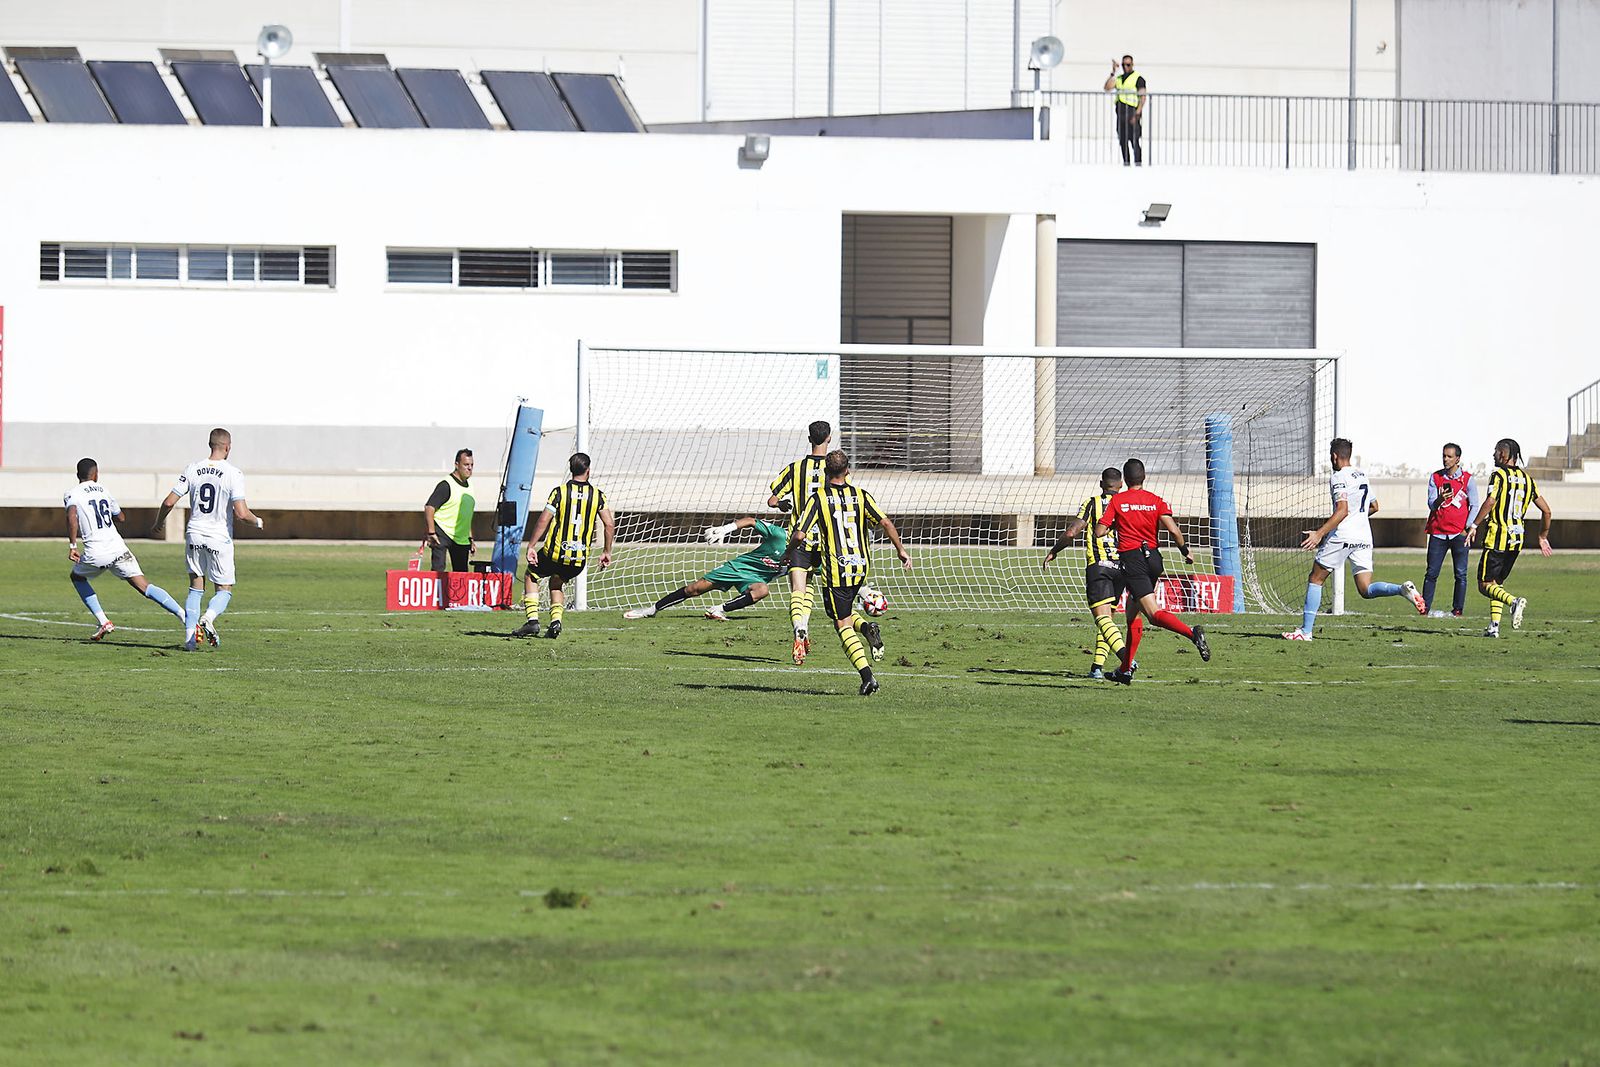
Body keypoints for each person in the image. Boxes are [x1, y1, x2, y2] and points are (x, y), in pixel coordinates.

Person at [790, 450, 912, 697]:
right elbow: (886, 523)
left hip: (836, 571)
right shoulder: (861, 495)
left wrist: (787, 552)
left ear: (825, 472)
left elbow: (800, 534)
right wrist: (901, 550)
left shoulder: (819, 498)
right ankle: (867, 629)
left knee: (841, 624)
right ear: (848, 471)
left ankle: (868, 677)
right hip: (861, 567)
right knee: (847, 613)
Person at [1282, 437, 1426, 642]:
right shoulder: (1362, 476)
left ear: (1334, 456)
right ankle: (1401, 589)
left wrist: (1319, 534)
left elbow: (1342, 510)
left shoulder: (1338, 477)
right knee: (1365, 589)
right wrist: (1358, 518)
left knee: (1316, 578)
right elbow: (1375, 506)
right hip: (1364, 536)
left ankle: (1305, 632)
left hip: (1343, 535)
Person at [1093, 458, 1210, 684]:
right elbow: (1174, 530)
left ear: (1125, 480)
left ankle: (1192, 634)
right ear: (1144, 477)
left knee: (1153, 615)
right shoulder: (1155, 501)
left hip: (1133, 560)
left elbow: (1099, 531)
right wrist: (1185, 551)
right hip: (1154, 559)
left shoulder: (1119, 501)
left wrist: (1114, 523)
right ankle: (1124, 670)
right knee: (1132, 614)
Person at [150, 428, 264, 651]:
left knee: (195, 587)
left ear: (210, 445)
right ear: (228, 447)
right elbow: (241, 513)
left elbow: (168, 502)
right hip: (218, 537)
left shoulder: (192, 468)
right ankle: (208, 618)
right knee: (224, 589)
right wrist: (258, 521)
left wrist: (158, 523)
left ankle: (190, 641)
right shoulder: (233, 473)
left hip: (194, 533)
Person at [65, 457, 187, 641]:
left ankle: (103, 621)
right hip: (117, 547)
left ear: (77, 475)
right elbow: (121, 517)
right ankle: (184, 616)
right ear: (96, 474)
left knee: (77, 577)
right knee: (144, 586)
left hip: (96, 551)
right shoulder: (105, 491)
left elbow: (72, 515)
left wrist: (73, 545)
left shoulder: (72, 493)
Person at [511, 453, 615, 640]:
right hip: (578, 559)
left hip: (555, 553)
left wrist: (532, 545)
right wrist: (606, 551)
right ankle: (555, 622)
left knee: (531, 575)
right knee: (557, 582)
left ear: (571, 469)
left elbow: (544, 519)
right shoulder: (598, 496)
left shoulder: (559, 492)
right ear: (588, 470)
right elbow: (609, 524)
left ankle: (533, 621)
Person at [1042, 466, 1127, 680]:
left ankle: (1127, 660)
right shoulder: (1126, 504)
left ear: (1101, 484)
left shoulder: (1092, 503)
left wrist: (1054, 550)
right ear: (1122, 485)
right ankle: (1097, 667)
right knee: (1108, 619)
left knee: (1102, 619)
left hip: (1099, 566)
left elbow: (1072, 532)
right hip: (1123, 569)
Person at [623, 516, 788, 620]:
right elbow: (751, 521)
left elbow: (810, 574)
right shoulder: (780, 535)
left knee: (762, 590)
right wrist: (725, 529)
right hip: (738, 567)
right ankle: (651, 610)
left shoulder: (809, 556)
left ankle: (718, 610)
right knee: (693, 589)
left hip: (755, 580)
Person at [1467, 437, 1553, 638]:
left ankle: (1514, 601)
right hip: (1516, 540)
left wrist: (1474, 525)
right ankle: (1494, 627)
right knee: (1497, 583)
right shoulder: (1527, 479)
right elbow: (1547, 511)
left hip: (1497, 537)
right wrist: (1542, 536)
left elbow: (1490, 501)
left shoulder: (1498, 474)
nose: (1493, 455)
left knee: (1484, 585)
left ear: (1503, 454)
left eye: (1495, 451)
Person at [769, 420, 831, 665]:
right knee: (812, 586)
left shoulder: (796, 468)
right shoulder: (836, 467)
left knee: (798, 589)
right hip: (825, 541)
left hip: (799, 538)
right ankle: (804, 627)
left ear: (809, 439)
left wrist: (784, 504)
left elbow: (773, 500)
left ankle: (799, 628)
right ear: (828, 438)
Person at [1421, 442, 1480, 617]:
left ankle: (1458, 609)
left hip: (1459, 534)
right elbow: (1432, 504)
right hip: (1438, 533)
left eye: (1449, 456)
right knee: (1431, 573)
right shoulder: (1435, 478)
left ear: (1458, 459)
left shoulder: (1468, 479)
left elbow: (1475, 505)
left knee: (1460, 574)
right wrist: (1440, 499)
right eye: (1444, 456)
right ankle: (1424, 607)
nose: (1445, 459)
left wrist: (1467, 527)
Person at [423, 449, 476, 573]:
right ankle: (437, 593)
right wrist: (431, 532)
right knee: (438, 572)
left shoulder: (470, 486)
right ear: (456, 464)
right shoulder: (446, 484)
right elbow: (429, 507)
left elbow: (466, 516)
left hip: (461, 537)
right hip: (442, 533)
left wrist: (471, 538)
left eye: (472, 465)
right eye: (466, 465)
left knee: (462, 575)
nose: (469, 468)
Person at [1104, 54, 1146, 166]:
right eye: (1123, 65)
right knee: (1123, 141)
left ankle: (1138, 163)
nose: (1125, 67)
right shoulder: (1119, 78)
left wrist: (1137, 114)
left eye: (1127, 64)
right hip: (1121, 113)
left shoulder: (1138, 78)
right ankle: (1126, 163)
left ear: (1132, 64)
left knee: (1134, 141)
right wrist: (1113, 72)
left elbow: (1143, 97)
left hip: (1132, 112)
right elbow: (1107, 88)